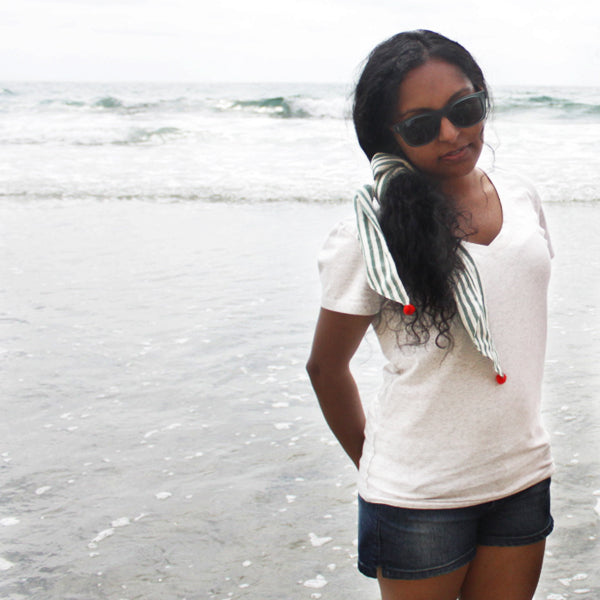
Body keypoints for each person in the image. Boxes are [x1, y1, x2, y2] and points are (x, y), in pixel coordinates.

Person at [306, 30, 555, 600]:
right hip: (418, 499)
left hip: (520, 474)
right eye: (420, 125)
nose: (450, 133)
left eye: (464, 110)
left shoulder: (521, 200)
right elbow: (325, 368)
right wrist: (379, 466)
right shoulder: (369, 233)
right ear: (385, 135)